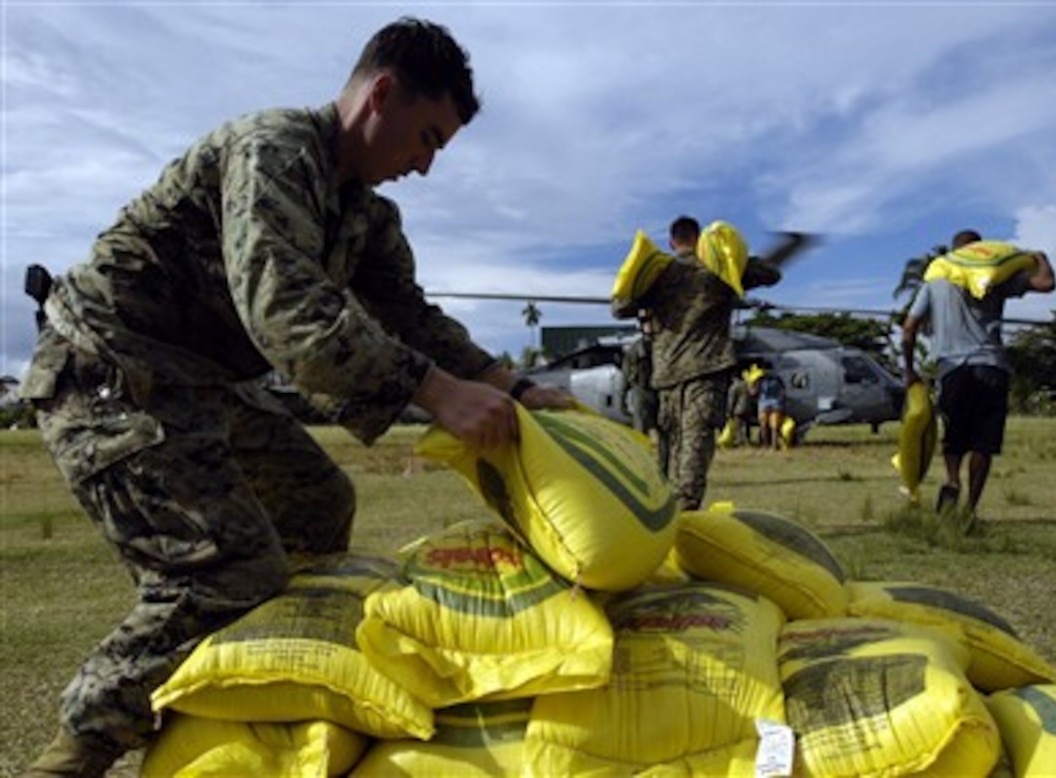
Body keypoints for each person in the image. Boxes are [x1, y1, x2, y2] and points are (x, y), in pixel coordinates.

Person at [19, 18, 571, 777]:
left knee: (315, 500)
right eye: (428, 139)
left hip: (193, 381)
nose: (425, 165)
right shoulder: (274, 149)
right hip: (108, 368)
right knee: (224, 570)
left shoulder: (367, 217)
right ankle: (77, 752)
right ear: (381, 95)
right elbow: (285, 311)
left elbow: (410, 317)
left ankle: (261, 693)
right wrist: (436, 394)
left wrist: (518, 388)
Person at [612, 216, 805, 510]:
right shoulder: (717, 268)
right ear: (700, 237)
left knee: (674, 451)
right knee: (694, 451)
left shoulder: (659, 274)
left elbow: (620, 307)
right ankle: (683, 518)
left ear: (671, 242)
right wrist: (729, 255)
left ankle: (671, 517)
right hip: (706, 371)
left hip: (667, 376)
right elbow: (770, 273)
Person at [901, 229, 1056, 534]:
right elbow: (1046, 284)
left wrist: (909, 370)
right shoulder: (997, 277)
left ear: (954, 250)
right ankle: (971, 510)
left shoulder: (935, 281)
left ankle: (952, 480)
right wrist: (1040, 257)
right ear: (983, 250)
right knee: (983, 443)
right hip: (992, 367)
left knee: (954, 436)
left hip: (951, 369)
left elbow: (908, 330)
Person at [620, 313, 658, 436]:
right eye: (646, 323)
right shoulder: (635, 350)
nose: (650, 326)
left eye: (652, 322)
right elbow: (626, 375)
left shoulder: (663, 347)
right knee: (640, 431)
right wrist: (622, 398)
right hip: (642, 392)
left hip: (662, 392)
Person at [754, 368, 787, 450]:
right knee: (774, 427)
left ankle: (765, 445)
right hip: (776, 404)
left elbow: (754, 392)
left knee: (763, 426)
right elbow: (783, 391)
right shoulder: (778, 379)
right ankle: (774, 445)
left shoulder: (760, 379)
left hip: (763, 403)